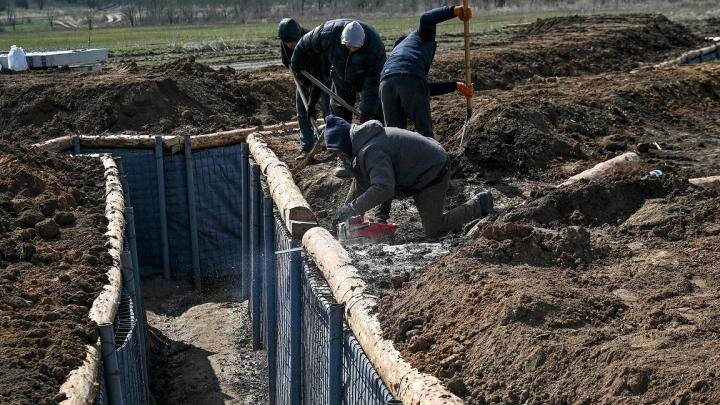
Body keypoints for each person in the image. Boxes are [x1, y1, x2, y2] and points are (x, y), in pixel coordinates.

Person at [324, 114, 493, 237]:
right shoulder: (361, 144)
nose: (340, 157)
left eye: (339, 152)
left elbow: (384, 188)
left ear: (344, 143)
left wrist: (352, 209)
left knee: (434, 230)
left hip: (431, 170)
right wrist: (345, 215)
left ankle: (480, 204)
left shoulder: (371, 150)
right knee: (362, 175)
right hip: (421, 163)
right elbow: (361, 180)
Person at [290, 19, 386, 177]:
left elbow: (373, 84)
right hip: (341, 78)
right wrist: (296, 64)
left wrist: (366, 111)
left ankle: (372, 156)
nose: (352, 50)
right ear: (342, 40)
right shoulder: (328, 33)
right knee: (340, 116)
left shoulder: (375, 48)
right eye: (348, 46)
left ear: (363, 42)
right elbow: (303, 44)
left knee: (373, 116)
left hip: (366, 79)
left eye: (356, 47)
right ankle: (343, 158)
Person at [380, 5, 473, 139]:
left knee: (394, 136)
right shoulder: (421, 36)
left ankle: (397, 160)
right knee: (425, 134)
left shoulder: (397, 53)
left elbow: (421, 88)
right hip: (409, 79)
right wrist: (454, 10)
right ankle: (433, 159)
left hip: (385, 84)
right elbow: (426, 19)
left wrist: (455, 86)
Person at [278, 18, 331, 161]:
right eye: (287, 43)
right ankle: (306, 147)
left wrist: (312, 103)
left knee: (328, 108)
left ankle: (334, 143)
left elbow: (319, 75)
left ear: (298, 36)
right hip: (302, 77)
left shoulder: (310, 41)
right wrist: (296, 73)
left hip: (322, 76)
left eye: (293, 42)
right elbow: (286, 61)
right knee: (302, 111)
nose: (291, 45)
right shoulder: (285, 41)